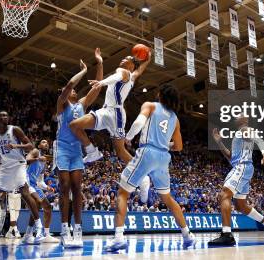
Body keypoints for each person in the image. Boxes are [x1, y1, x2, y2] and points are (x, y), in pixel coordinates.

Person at [105, 84, 195, 252]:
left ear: (160, 95)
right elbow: (179, 146)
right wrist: (164, 143)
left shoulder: (150, 105)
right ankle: (187, 235)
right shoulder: (175, 119)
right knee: (168, 199)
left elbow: (139, 121)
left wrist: (129, 137)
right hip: (163, 158)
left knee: (123, 193)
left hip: (148, 152)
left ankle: (118, 238)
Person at [69, 52, 152, 201]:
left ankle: (143, 177)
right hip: (106, 111)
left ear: (131, 65)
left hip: (115, 114)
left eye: (126, 59)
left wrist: (102, 83)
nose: (123, 59)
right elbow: (139, 71)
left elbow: (117, 77)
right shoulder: (132, 76)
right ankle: (91, 151)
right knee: (75, 125)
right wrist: (148, 60)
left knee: (120, 151)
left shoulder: (124, 72)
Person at [54, 49, 103, 247]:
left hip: (76, 150)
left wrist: (99, 63)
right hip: (62, 149)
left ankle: (78, 230)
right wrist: (84, 71)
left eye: (75, 91)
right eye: (71, 91)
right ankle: (65, 229)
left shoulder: (81, 104)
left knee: (77, 188)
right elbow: (68, 85)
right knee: (64, 186)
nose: (74, 91)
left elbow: (97, 88)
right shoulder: (61, 105)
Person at [208, 117, 264, 246]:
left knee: (224, 195)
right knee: (240, 206)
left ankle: (226, 234)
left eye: (240, 115)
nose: (237, 116)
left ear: (244, 120)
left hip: (242, 167)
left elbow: (259, 140)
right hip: (242, 167)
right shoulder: (239, 135)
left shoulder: (244, 129)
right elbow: (230, 157)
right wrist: (219, 142)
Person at [0, 111, 42, 245]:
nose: (5, 117)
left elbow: (30, 146)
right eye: (2, 115)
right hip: (5, 167)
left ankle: (39, 227)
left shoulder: (15, 130)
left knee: (24, 192)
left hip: (19, 164)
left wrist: (16, 146)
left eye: (7, 115)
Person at [23, 140, 58, 244]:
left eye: (47, 142)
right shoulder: (35, 151)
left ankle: (45, 234)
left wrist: (47, 187)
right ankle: (37, 232)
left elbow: (40, 181)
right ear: (38, 145)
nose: (46, 143)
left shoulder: (44, 160)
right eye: (43, 142)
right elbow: (25, 160)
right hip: (26, 181)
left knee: (47, 206)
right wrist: (38, 158)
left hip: (34, 185)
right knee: (37, 202)